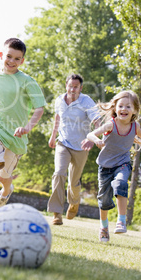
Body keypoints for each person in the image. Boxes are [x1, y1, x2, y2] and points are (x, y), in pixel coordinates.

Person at [0, 38, 46, 224]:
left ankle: (7, 190)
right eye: (9, 56)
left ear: (22, 61)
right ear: (2, 55)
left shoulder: (27, 82)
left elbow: (39, 108)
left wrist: (28, 127)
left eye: (17, 58)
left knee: (3, 176)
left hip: (16, 136)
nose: (11, 61)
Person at [86, 90, 141, 242]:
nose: (124, 109)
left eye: (128, 107)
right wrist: (96, 140)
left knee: (121, 183)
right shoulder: (111, 124)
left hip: (123, 163)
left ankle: (121, 220)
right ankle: (104, 228)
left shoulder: (135, 126)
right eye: (121, 106)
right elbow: (91, 134)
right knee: (104, 200)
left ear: (135, 110)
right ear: (115, 108)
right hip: (105, 166)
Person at [47, 74, 100, 225]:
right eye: (70, 86)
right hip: (63, 142)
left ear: (80, 88)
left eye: (76, 87)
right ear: (66, 86)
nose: (72, 89)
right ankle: (57, 213)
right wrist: (53, 136)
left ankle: (74, 202)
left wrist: (93, 138)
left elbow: (97, 121)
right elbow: (58, 118)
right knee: (58, 173)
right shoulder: (59, 100)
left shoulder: (86, 101)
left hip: (81, 146)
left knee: (74, 182)